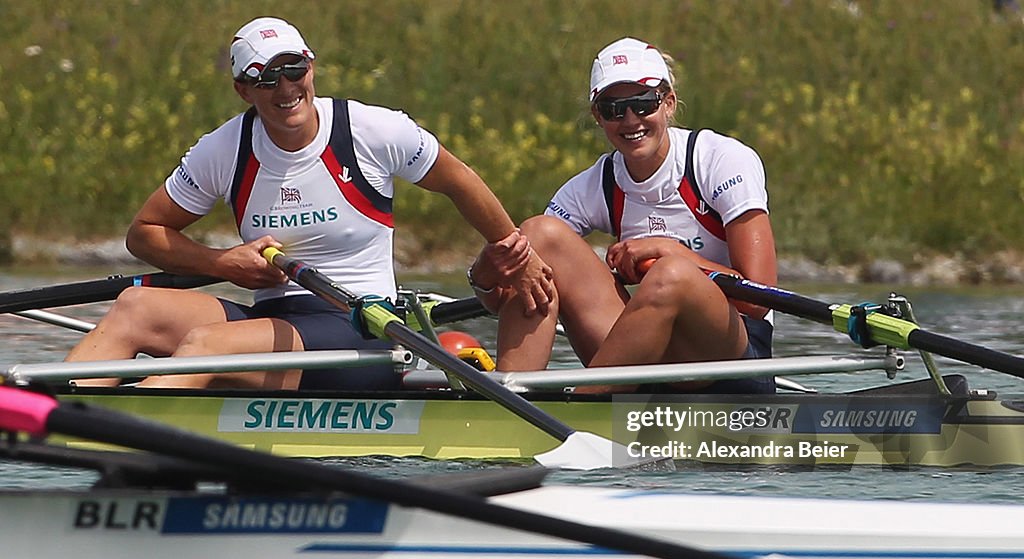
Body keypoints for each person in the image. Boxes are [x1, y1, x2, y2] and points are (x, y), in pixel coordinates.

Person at [65, 16, 553, 390]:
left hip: (363, 328)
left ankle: (116, 435)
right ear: (242, 90)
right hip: (274, 323)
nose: (285, 88)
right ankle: (43, 417)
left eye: (293, 70)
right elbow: (145, 232)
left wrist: (518, 253)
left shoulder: (370, 130)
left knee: (207, 347)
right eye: (265, 79)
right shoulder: (225, 148)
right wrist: (223, 263)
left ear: (310, 67)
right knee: (134, 307)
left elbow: (460, 181)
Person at [468, 37, 777, 393]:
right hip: (642, 360)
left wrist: (672, 251)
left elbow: (758, 297)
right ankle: (509, 398)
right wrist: (486, 275)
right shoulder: (593, 186)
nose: (631, 119)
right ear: (598, 116)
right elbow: (506, 298)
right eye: (614, 108)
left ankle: (584, 408)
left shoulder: (721, 161)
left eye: (643, 103)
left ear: (669, 103)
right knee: (538, 235)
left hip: (729, 362)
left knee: (672, 274)